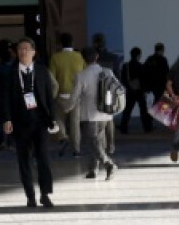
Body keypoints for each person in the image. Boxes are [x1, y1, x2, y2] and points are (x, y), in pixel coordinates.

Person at [0, 37, 59, 208]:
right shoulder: (10, 73)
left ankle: (45, 194)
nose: (23, 52)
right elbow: (6, 99)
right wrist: (7, 119)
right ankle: (30, 196)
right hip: (20, 122)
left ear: (33, 52)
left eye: (26, 48)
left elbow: (49, 96)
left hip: (40, 121)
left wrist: (52, 118)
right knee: (23, 160)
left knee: (43, 159)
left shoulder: (41, 71)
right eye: (20, 49)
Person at [67, 46, 119, 180]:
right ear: (97, 56)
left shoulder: (81, 76)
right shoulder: (108, 72)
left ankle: (109, 164)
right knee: (97, 142)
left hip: (90, 115)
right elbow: (117, 89)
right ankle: (93, 169)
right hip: (106, 114)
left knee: (92, 142)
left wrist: (67, 108)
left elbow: (74, 96)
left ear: (83, 59)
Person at [49, 32, 85, 156]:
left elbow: (52, 79)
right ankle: (76, 150)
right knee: (75, 123)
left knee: (59, 119)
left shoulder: (55, 58)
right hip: (76, 95)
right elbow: (84, 74)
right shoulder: (79, 56)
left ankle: (63, 137)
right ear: (72, 43)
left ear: (60, 43)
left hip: (61, 95)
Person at [119, 46, 152, 133]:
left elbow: (123, 79)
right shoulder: (141, 66)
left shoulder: (126, 66)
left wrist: (129, 86)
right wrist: (145, 90)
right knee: (143, 111)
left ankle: (123, 128)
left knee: (127, 110)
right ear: (138, 55)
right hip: (139, 91)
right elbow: (144, 79)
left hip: (130, 91)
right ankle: (147, 128)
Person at [144, 42, 171, 114]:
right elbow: (167, 73)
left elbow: (145, 72)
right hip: (161, 85)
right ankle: (162, 116)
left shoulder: (149, 59)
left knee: (153, 102)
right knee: (163, 102)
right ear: (162, 50)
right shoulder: (163, 60)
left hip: (151, 86)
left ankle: (150, 118)